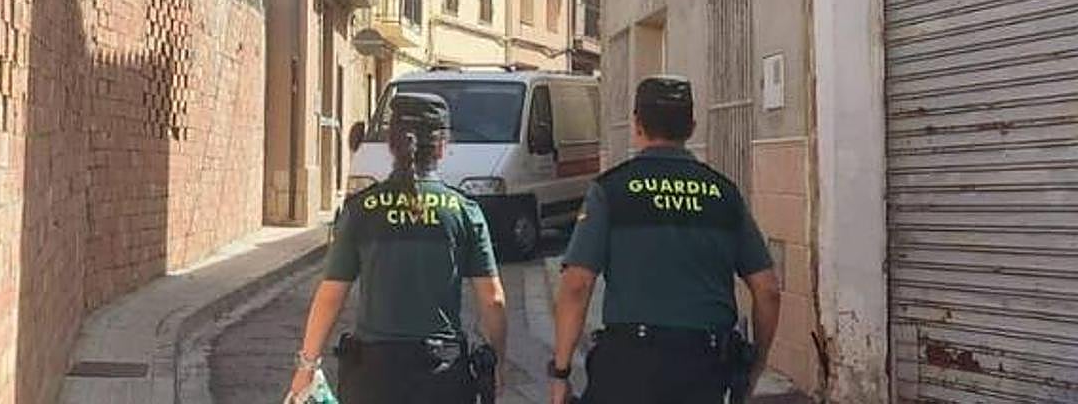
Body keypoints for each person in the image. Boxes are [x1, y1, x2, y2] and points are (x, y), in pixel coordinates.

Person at [549, 76, 781, 404]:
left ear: (637, 125)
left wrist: (560, 373)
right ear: (692, 126)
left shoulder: (611, 190)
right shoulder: (724, 194)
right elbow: (768, 290)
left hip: (628, 366)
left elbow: (577, 285)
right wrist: (755, 366)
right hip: (704, 367)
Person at [288, 92, 508, 403]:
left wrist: (307, 366)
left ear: (392, 144)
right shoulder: (463, 211)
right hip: (442, 376)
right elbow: (493, 300)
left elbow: (330, 297)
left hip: (373, 376)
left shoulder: (361, 209)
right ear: (443, 146)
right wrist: (497, 363)